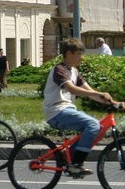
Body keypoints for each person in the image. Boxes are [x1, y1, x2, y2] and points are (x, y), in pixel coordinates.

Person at [43, 38, 121, 175]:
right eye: (79, 54)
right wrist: (99, 93)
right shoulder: (59, 70)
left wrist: (115, 103)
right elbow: (72, 89)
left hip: (67, 110)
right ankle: (76, 164)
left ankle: (68, 158)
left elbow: (91, 94)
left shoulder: (75, 72)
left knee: (99, 128)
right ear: (69, 53)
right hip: (56, 112)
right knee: (93, 125)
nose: (81, 57)